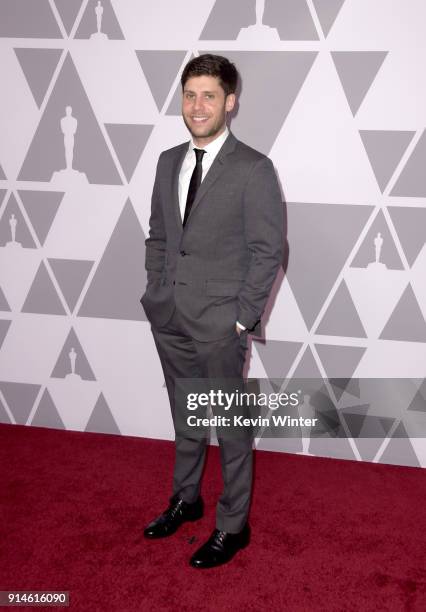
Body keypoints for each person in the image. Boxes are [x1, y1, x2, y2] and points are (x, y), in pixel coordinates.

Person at [140, 54, 283, 568]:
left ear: (230, 102)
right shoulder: (166, 161)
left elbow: (269, 251)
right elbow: (160, 236)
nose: (197, 106)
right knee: (184, 414)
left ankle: (232, 525)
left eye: (208, 96)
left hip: (222, 323)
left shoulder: (254, 169)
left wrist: (242, 318)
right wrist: (156, 288)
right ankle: (186, 499)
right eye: (190, 94)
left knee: (231, 425)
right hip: (170, 315)